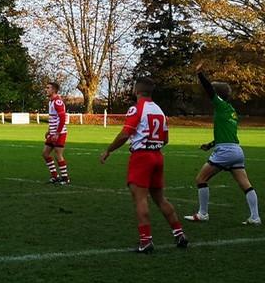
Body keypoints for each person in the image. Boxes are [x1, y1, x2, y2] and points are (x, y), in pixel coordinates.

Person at [100, 77, 188, 253]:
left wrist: (109, 150)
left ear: (136, 90)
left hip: (142, 157)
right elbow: (166, 139)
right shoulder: (159, 110)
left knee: (140, 199)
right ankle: (179, 234)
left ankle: (146, 241)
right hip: (157, 156)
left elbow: (126, 134)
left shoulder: (136, 109)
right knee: (160, 198)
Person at [184, 66, 260, 225]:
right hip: (236, 150)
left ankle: (203, 214)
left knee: (200, 179)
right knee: (246, 185)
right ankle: (255, 217)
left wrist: (199, 74)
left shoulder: (220, 105)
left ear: (217, 95)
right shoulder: (232, 110)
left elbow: (209, 89)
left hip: (225, 151)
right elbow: (227, 134)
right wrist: (210, 144)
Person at [42, 82, 70, 185]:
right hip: (53, 133)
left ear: (53, 90)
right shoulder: (51, 102)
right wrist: (49, 131)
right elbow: (53, 118)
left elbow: (62, 118)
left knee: (58, 154)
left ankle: (65, 178)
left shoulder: (57, 102)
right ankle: (55, 176)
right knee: (45, 154)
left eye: (48, 88)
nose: (46, 89)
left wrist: (57, 133)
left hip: (60, 133)